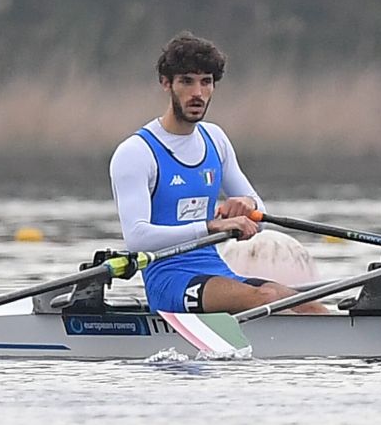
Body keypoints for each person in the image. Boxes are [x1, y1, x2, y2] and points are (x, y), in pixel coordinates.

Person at [109, 32, 325, 314]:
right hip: (170, 282)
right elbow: (137, 238)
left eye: (206, 82)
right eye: (187, 81)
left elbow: (260, 219)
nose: (197, 93)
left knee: (310, 307)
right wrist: (210, 226)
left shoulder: (215, 139)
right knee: (268, 297)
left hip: (216, 271)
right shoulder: (135, 153)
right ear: (166, 83)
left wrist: (248, 206)